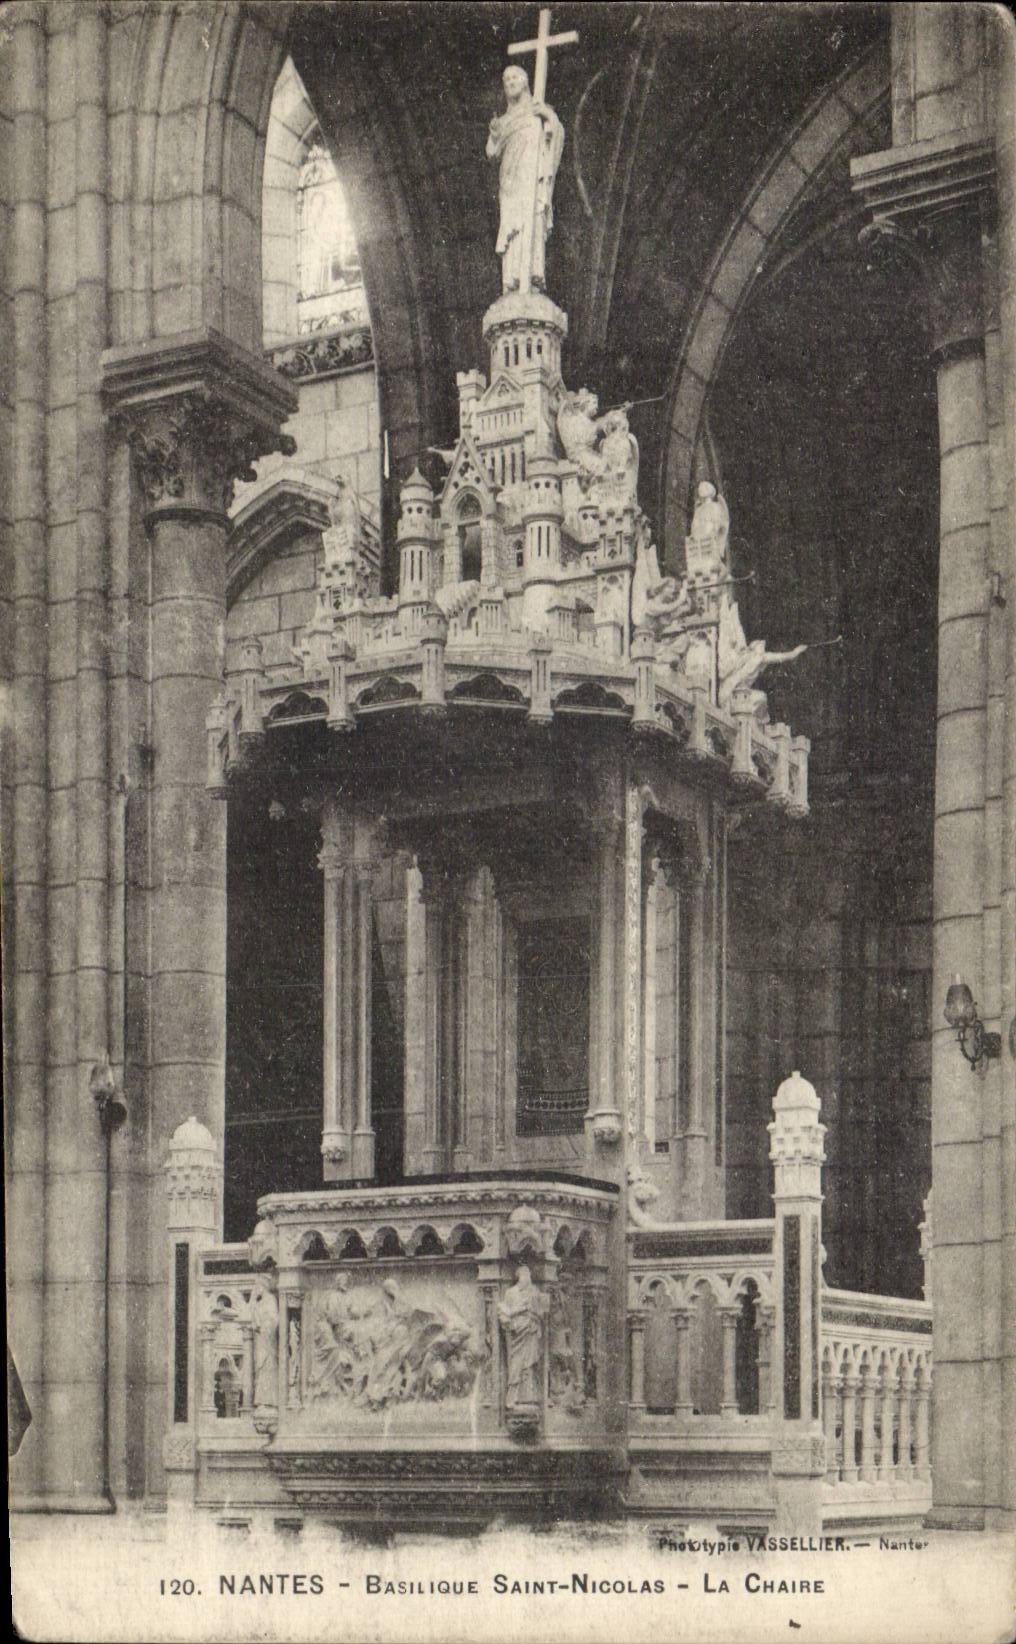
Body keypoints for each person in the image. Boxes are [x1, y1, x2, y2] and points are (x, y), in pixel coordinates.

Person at [486, 65, 564, 294]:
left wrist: (549, 117)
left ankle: (532, 273)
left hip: (532, 177)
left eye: (514, 78)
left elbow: (555, 135)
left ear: (525, 81)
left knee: (532, 218)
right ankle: (511, 278)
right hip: (511, 180)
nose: (510, 82)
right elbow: (491, 152)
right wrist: (493, 134)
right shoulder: (504, 120)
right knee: (511, 225)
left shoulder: (537, 111)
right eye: (506, 79)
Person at [498, 1264, 549, 1406]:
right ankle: (512, 1396)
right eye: (523, 1276)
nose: (526, 1279)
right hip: (516, 1332)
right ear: (518, 1277)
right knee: (515, 1362)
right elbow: (504, 1313)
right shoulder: (510, 1292)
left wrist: (536, 1314)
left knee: (531, 1362)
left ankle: (530, 1396)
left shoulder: (534, 1292)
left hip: (531, 1330)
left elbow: (543, 1310)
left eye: (528, 1277)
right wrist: (515, 1314)